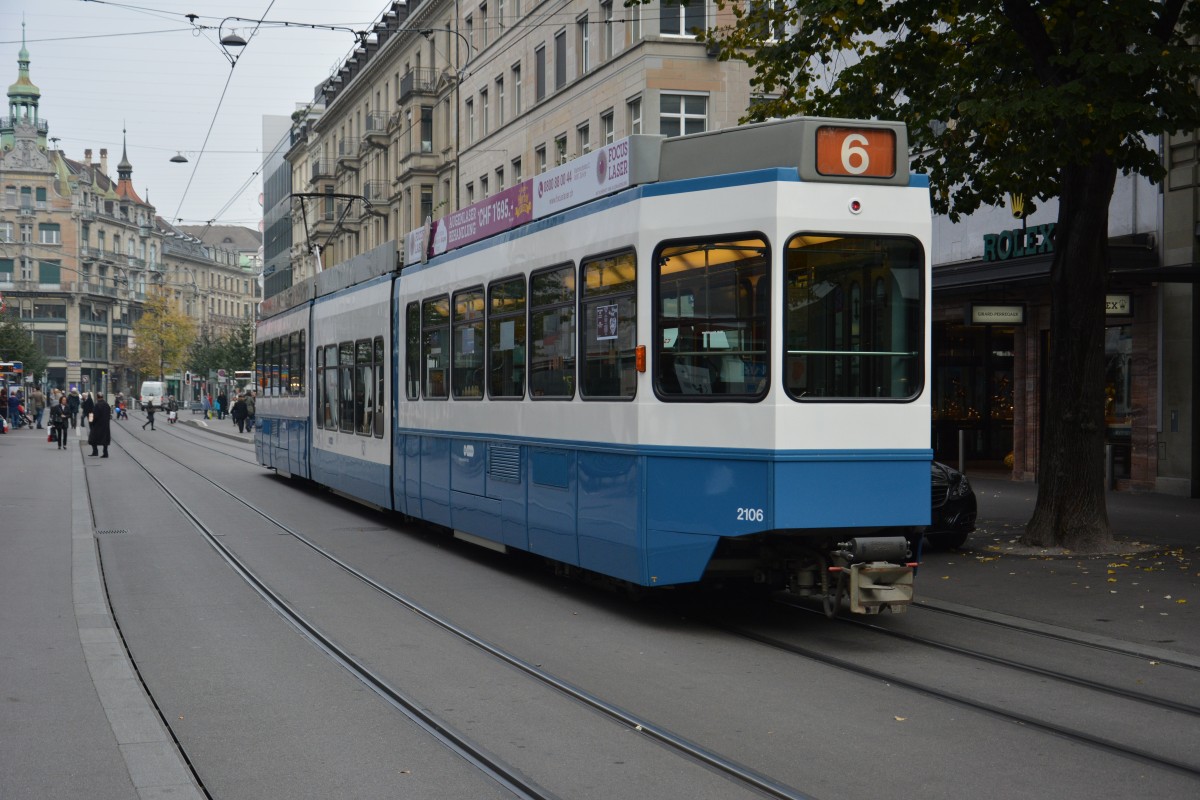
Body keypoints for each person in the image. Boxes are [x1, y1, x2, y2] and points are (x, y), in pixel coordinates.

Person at [88, 393, 112, 457]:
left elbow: (94, 415)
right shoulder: (107, 405)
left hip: (97, 425)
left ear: (97, 397)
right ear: (103, 397)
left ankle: (95, 451)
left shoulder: (97, 405)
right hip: (105, 425)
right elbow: (109, 415)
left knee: (92, 438)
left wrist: (90, 422)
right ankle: (105, 452)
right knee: (105, 439)